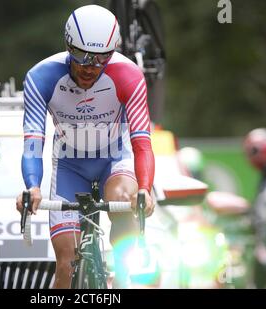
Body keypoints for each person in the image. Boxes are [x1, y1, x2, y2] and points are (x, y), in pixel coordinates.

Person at [15, 5, 156, 288]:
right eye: (82, 56)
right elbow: (33, 140)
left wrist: (144, 189)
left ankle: (122, 281)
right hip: (69, 162)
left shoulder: (128, 75)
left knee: (126, 200)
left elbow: (141, 142)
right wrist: (33, 186)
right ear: (68, 45)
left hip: (113, 157)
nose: (91, 67)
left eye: (102, 57)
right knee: (66, 263)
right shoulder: (41, 77)